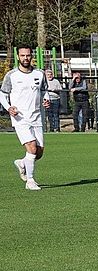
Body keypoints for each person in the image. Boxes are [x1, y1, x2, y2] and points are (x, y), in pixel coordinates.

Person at [1, 45, 49, 191]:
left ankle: (22, 163)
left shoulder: (39, 74)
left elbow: (44, 90)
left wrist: (46, 99)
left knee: (38, 153)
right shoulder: (11, 75)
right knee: (32, 148)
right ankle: (30, 180)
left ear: (31, 56)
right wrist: (8, 107)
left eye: (28, 55)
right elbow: (2, 94)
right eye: (22, 55)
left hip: (36, 117)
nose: (25, 58)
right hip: (20, 118)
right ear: (18, 57)